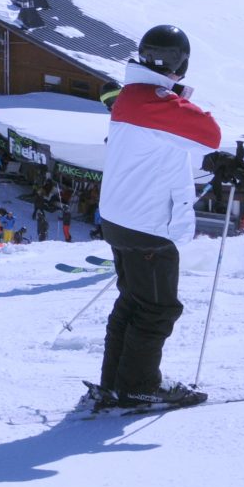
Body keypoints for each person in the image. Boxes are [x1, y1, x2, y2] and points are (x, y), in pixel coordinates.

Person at [90, 24, 221, 412]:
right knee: (157, 308)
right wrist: (174, 96)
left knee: (133, 301)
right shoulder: (155, 102)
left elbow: (172, 145)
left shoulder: (131, 97)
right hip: (145, 224)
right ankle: (140, 386)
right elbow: (209, 133)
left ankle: (116, 382)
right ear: (182, 64)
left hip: (120, 218)